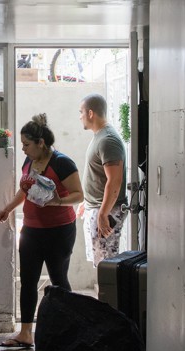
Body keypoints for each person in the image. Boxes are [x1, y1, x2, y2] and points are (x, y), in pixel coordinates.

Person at [0, 114, 83, 347]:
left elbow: (79, 195)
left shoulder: (62, 163)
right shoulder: (29, 162)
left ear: (40, 143)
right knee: (28, 281)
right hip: (32, 230)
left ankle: (70, 330)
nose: (22, 149)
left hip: (59, 231)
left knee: (58, 280)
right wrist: (8, 209)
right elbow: (24, 191)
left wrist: (57, 202)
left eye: (26, 144)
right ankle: (25, 333)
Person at [77, 94, 128, 266]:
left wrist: (103, 213)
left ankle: (109, 294)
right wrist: (88, 201)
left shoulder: (108, 140)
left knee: (106, 266)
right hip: (97, 207)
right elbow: (97, 174)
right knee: (100, 263)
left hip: (107, 211)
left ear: (91, 113)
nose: (80, 116)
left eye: (81, 112)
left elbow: (114, 180)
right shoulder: (99, 137)